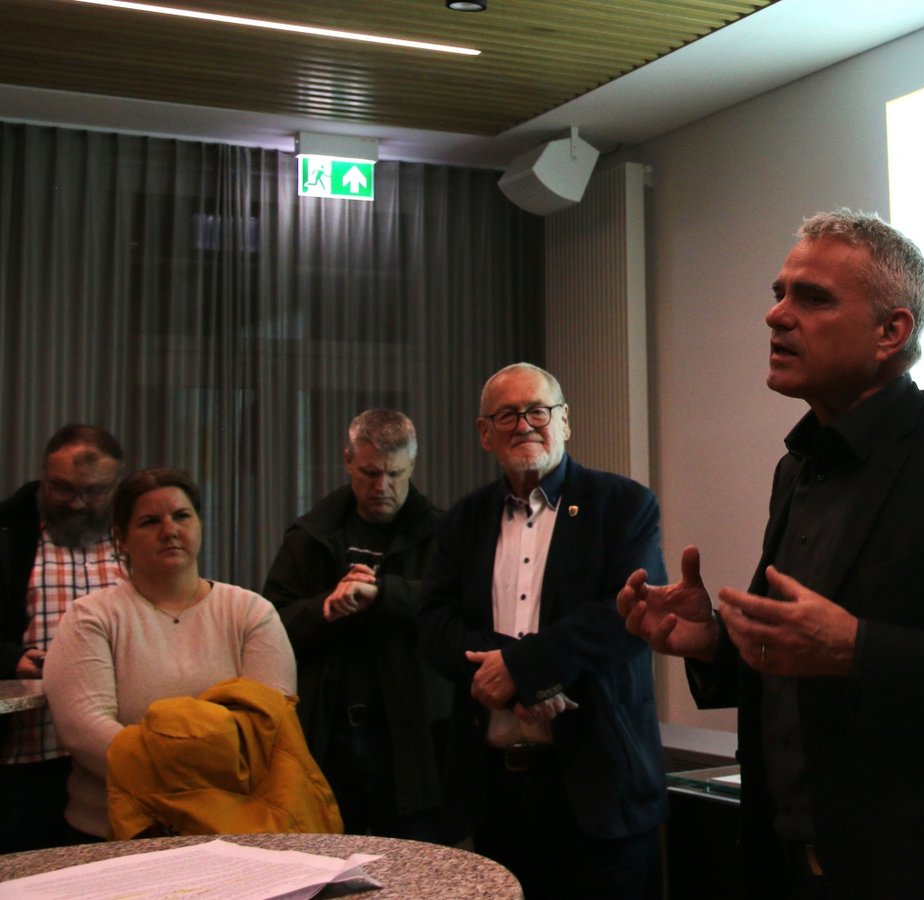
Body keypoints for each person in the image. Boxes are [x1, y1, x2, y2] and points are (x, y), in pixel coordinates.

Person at [618, 210, 924, 899]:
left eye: (811, 298)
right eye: (779, 293)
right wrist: (715, 645)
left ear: (891, 332)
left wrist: (859, 649)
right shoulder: (800, 466)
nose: (776, 316)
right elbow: (803, 666)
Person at [420, 363, 668, 899]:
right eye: (507, 415)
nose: (524, 425)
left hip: (601, 791)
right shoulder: (462, 521)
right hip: (494, 797)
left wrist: (521, 669)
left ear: (565, 422)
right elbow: (435, 626)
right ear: (485, 433)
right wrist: (519, 674)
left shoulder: (624, 506)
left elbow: (625, 617)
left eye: (538, 411)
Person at [42, 467, 297, 840]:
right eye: (149, 521)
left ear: (199, 524)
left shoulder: (251, 612)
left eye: (181, 516)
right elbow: (84, 728)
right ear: (121, 539)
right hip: (112, 836)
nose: (169, 530)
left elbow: (268, 724)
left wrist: (169, 767)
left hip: (236, 831)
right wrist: (191, 769)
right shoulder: (89, 617)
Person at [263, 409, 448, 840]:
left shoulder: (442, 534)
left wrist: (385, 595)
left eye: (394, 474)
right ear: (347, 461)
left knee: (412, 869)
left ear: (412, 466)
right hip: (328, 734)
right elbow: (271, 627)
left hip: (412, 741)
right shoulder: (310, 536)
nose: (382, 487)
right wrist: (326, 609)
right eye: (369, 473)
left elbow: (458, 614)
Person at [0, 424, 125, 852]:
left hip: (117, 752)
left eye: (94, 492)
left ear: (116, 485)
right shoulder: (8, 532)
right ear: (43, 475)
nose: (75, 503)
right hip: (29, 754)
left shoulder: (139, 536)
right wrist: (9, 658)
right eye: (62, 488)